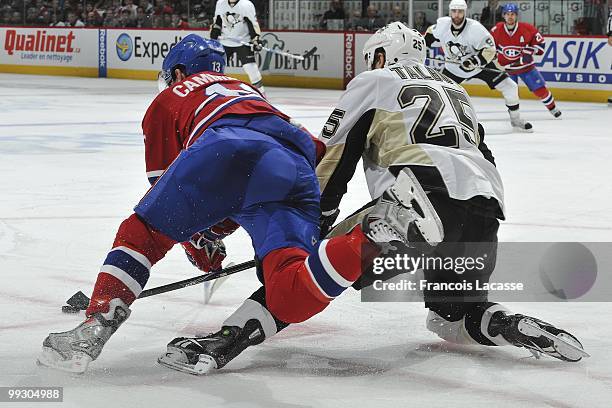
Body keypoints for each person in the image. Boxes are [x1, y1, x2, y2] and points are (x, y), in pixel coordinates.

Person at [37, 34, 442, 375]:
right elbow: (309, 149)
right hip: (294, 167)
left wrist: (206, 248)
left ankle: (95, 325)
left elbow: (167, 207)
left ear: (178, 73)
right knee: (286, 290)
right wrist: (220, 229)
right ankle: (368, 238)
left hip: (226, 149)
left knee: (139, 234)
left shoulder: (172, 97)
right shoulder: (248, 90)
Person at [317, 22, 587, 363]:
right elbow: (483, 153)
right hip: (484, 206)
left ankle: (243, 327)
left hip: (417, 207)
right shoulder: (455, 90)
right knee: (452, 319)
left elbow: (335, 156)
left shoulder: (375, 80)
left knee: (315, 265)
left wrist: (317, 218)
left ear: (383, 55)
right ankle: (506, 323)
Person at [425, 0, 532, 132]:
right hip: (453, 69)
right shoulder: (443, 25)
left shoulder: (475, 28)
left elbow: (490, 48)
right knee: (438, 92)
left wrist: (474, 61)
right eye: (454, 11)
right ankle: (434, 122)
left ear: (465, 12)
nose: (457, 15)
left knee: (510, 86)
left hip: (479, 66)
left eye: (460, 12)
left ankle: (516, 120)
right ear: (450, 12)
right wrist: (424, 46)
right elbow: (430, 34)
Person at [491, 3, 561, 118]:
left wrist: (529, 51)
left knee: (540, 89)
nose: (510, 17)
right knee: (511, 95)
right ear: (503, 15)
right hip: (508, 70)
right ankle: (514, 115)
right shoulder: (497, 30)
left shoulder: (527, 28)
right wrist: (494, 58)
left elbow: (541, 45)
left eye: (512, 14)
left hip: (527, 68)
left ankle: (553, 108)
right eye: (507, 14)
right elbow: (490, 47)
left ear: (516, 15)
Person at [210, 0, 266, 94]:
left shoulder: (246, 4)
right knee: (216, 68)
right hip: (225, 41)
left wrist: (256, 39)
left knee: (251, 68)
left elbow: (253, 23)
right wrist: (215, 31)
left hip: (243, 41)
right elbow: (217, 21)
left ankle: (261, 92)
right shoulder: (220, 3)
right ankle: (212, 92)